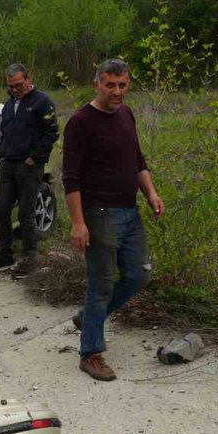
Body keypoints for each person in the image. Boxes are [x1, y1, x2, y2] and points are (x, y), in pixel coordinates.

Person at [62, 58, 164, 381]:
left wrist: (151, 193)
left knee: (138, 274)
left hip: (130, 212)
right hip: (99, 215)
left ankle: (90, 317)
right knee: (101, 284)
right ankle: (90, 352)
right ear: (97, 85)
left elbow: (137, 160)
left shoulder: (126, 115)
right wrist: (78, 223)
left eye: (122, 85)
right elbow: (71, 178)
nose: (117, 91)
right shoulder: (80, 122)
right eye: (110, 85)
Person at [0, 63, 59, 275]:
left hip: (29, 166)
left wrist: (35, 158)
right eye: (10, 87)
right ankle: (5, 255)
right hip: (8, 163)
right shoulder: (8, 105)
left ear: (28, 79)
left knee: (26, 212)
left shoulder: (42, 102)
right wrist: (2, 154)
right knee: (1, 209)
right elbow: (6, 132)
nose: (15, 90)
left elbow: (51, 133)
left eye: (18, 85)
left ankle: (29, 258)